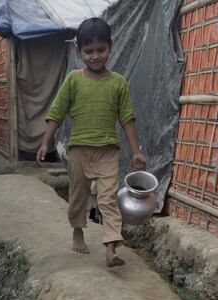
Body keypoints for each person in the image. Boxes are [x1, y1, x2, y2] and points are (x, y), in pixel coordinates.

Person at [37, 18, 147, 268]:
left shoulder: (118, 82)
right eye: (89, 51)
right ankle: (78, 229)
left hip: (108, 152)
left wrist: (136, 152)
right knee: (78, 196)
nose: (95, 56)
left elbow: (127, 118)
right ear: (79, 53)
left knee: (108, 199)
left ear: (110, 48)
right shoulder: (74, 80)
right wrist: (46, 143)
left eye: (101, 50)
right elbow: (56, 112)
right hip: (79, 151)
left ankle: (111, 248)